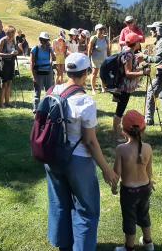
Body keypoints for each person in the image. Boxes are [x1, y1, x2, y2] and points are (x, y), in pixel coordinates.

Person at [44, 53, 119, 251]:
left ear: (68, 71)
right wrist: (106, 169)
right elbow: (90, 142)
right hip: (78, 161)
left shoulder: (52, 91)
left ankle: (64, 245)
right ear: (86, 73)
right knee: (86, 209)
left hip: (52, 157)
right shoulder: (85, 101)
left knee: (59, 203)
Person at [113, 110, 155, 251]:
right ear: (143, 130)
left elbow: (117, 173)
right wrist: (151, 182)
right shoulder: (148, 148)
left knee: (129, 218)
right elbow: (149, 170)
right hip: (145, 188)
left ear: (124, 131)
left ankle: (129, 247)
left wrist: (114, 186)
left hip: (129, 192)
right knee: (144, 214)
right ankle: (148, 243)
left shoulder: (121, 149)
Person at [113, 33, 148, 143]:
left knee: (120, 109)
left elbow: (130, 68)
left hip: (124, 86)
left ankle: (118, 133)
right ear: (136, 43)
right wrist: (143, 72)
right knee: (119, 111)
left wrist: (139, 65)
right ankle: (116, 135)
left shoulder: (128, 51)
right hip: (124, 87)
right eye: (138, 41)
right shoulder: (128, 54)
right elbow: (128, 73)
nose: (140, 43)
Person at [31, 32, 55, 113]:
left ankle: (47, 107)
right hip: (38, 72)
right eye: (43, 40)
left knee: (49, 91)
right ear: (40, 40)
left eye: (46, 40)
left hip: (48, 72)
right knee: (37, 91)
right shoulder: (35, 49)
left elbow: (54, 58)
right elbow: (32, 63)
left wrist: (51, 50)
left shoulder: (49, 49)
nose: (45, 42)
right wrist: (34, 77)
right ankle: (35, 108)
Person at [0, 26, 18, 108]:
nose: (13, 35)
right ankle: (1, 103)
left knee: (9, 83)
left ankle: (7, 102)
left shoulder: (13, 41)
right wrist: (10, 54)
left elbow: (15, 50)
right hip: (4, 64)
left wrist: (15, 53)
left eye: (13, 33)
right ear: (7, 33)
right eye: (11, 33)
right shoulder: (3, 41)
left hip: (11, 63)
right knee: (3, 84)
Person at [88, 24, 111, 95]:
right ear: (96, 30)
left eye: (102, 29)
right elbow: (89, 49)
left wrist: (109, 57)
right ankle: (93, 89)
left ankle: (103, 88)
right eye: (100, 29)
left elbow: (108, 49)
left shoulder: (106, 38)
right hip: (95, 59)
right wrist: (88, 59)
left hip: (104, 59)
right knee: (94, 73)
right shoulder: (93, 38)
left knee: (103, 74)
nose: (102, 31)